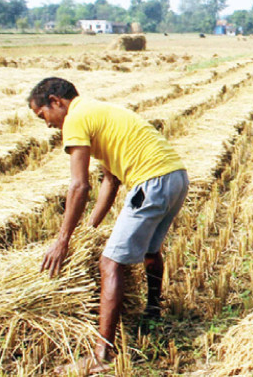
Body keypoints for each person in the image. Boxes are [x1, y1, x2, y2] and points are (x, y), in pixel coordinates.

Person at [28, 77, 188, 374]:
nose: (48, 125)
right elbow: (110, 180)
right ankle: (153, 309)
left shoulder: (75, 118)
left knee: (109, 263)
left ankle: (103, 353)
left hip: (151, 180)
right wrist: (90, 226)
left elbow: (78, 186)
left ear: (55, 102)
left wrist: (63, 239)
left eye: (43, 116)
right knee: (151, 249)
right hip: (176, 177)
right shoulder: (96, 110)